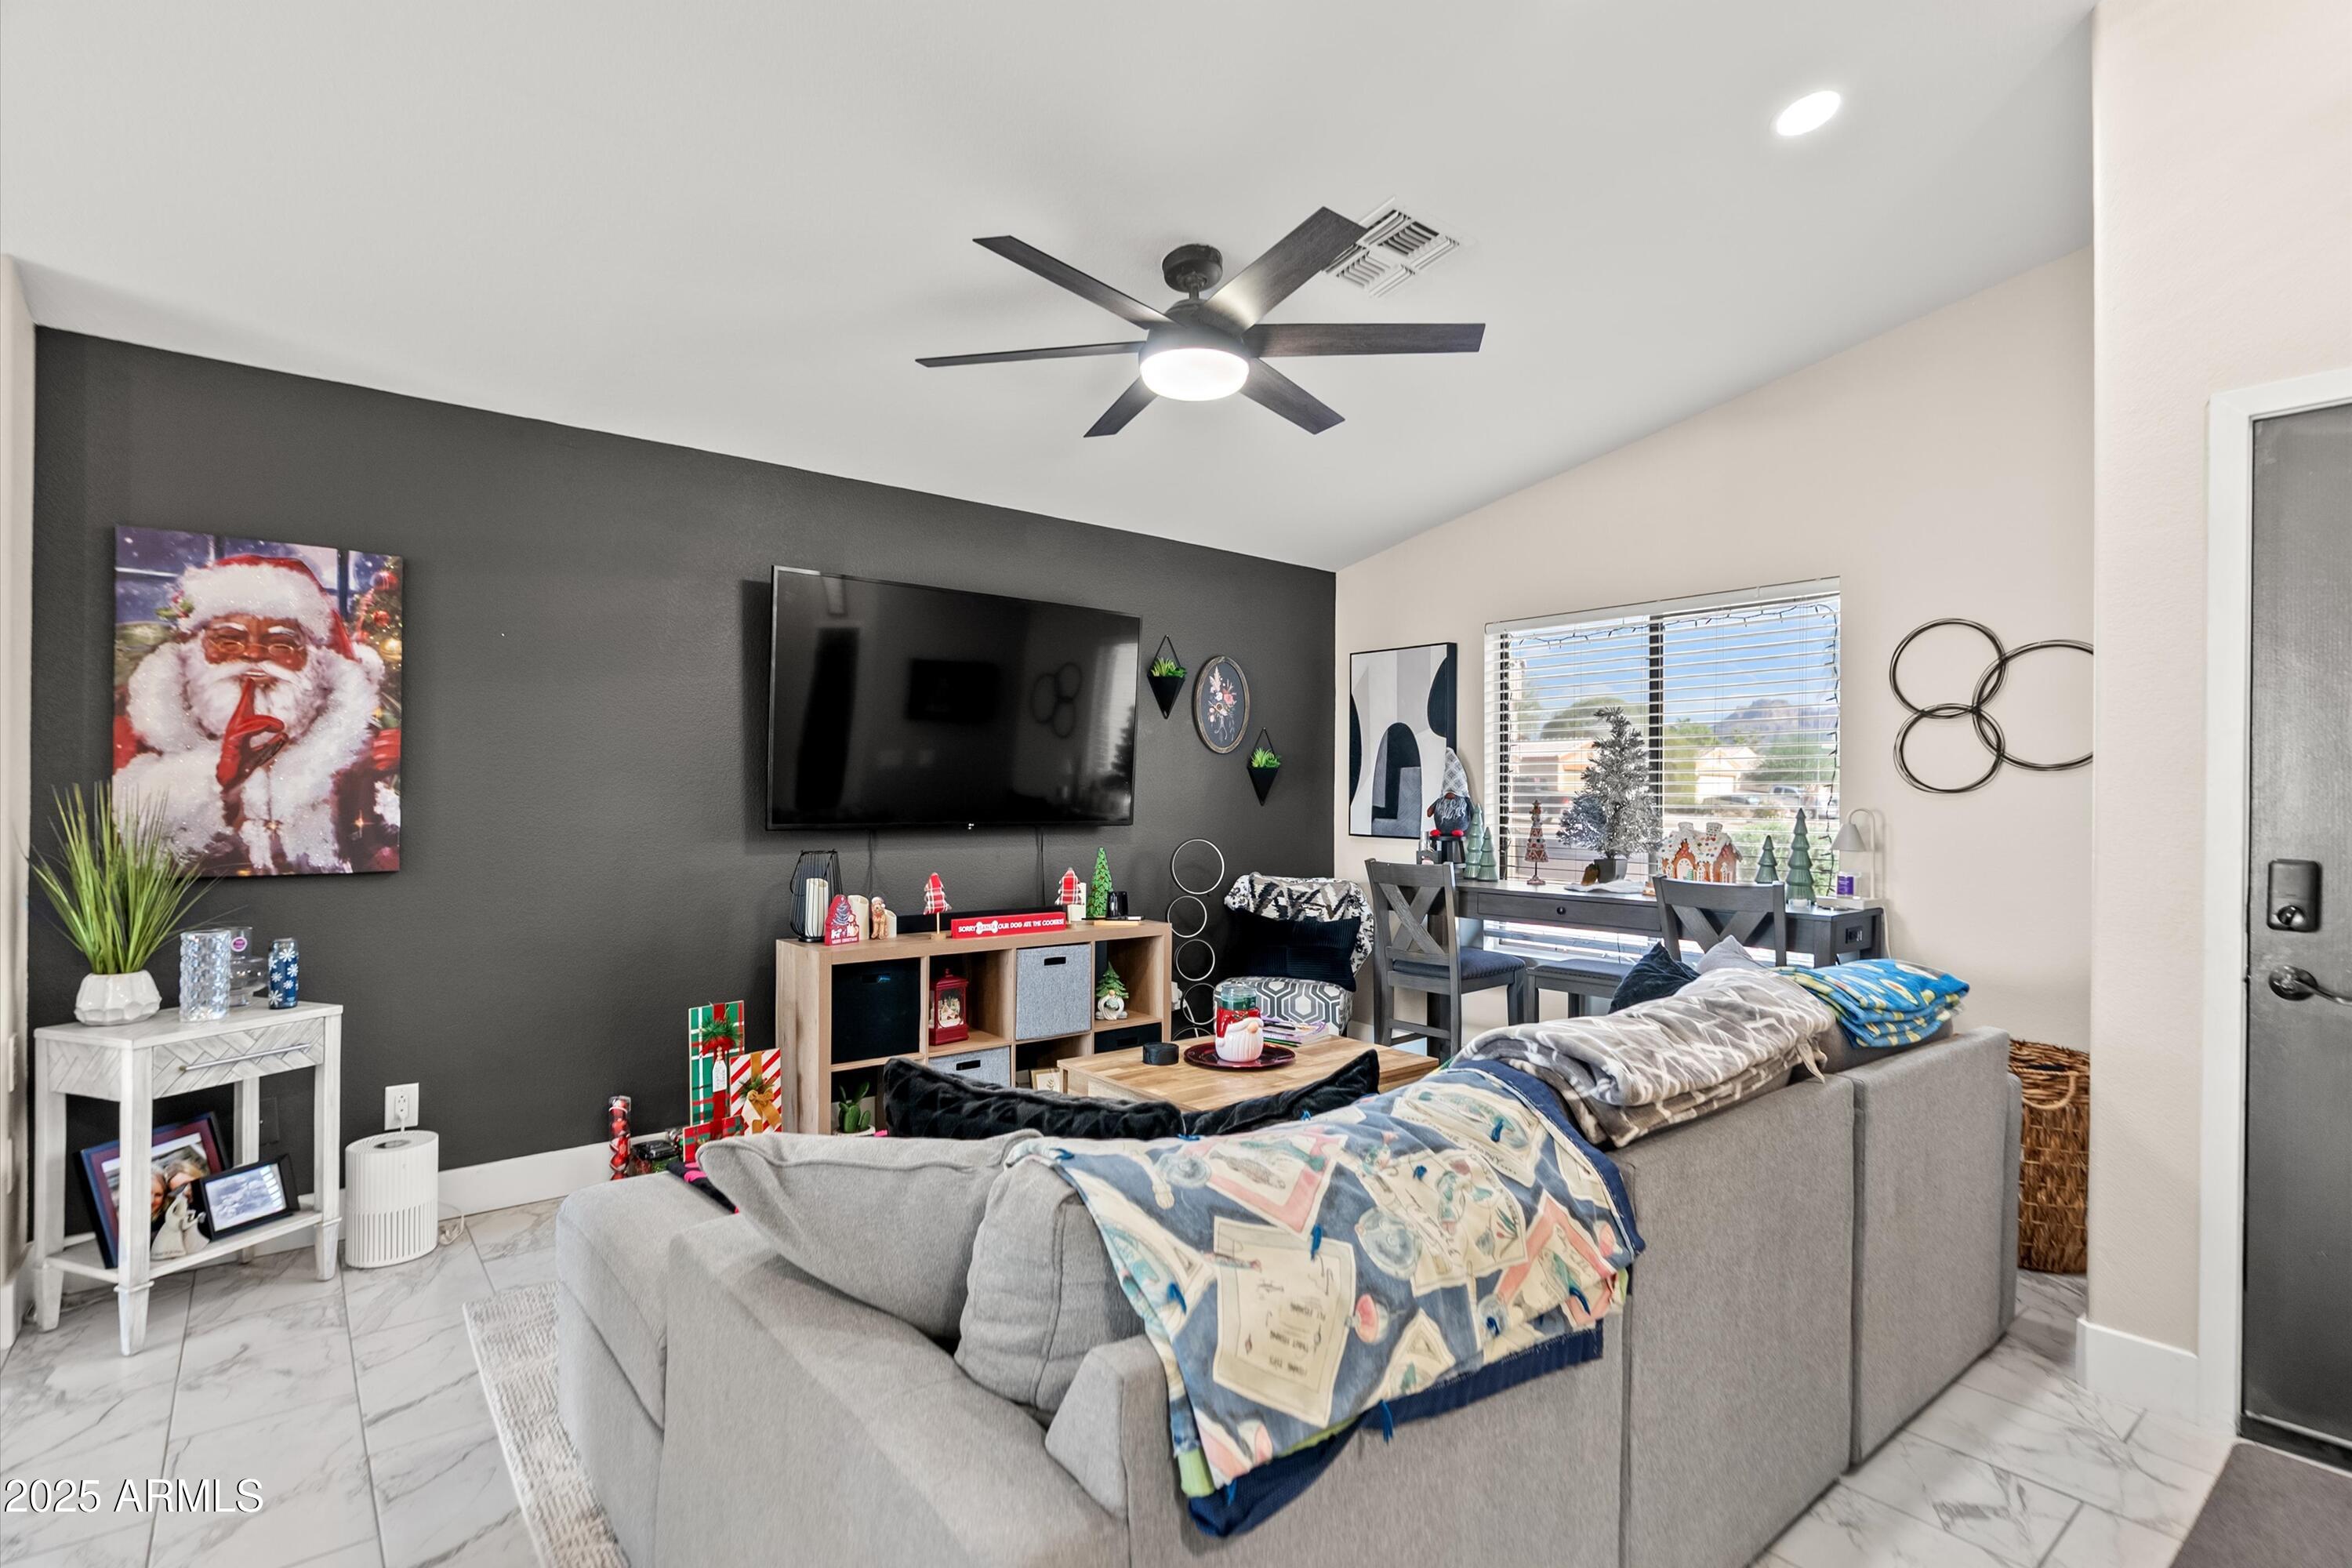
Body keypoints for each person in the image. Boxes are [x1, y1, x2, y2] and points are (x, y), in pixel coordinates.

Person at [115, 554, 399, 874]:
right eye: (230, 639)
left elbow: (377, 857)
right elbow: (126, 863)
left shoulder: (347, 754)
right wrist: (220, 785)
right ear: (194, 649)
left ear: (315, 662)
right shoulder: (138, 741)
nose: (253, 654)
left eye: (280, 642)